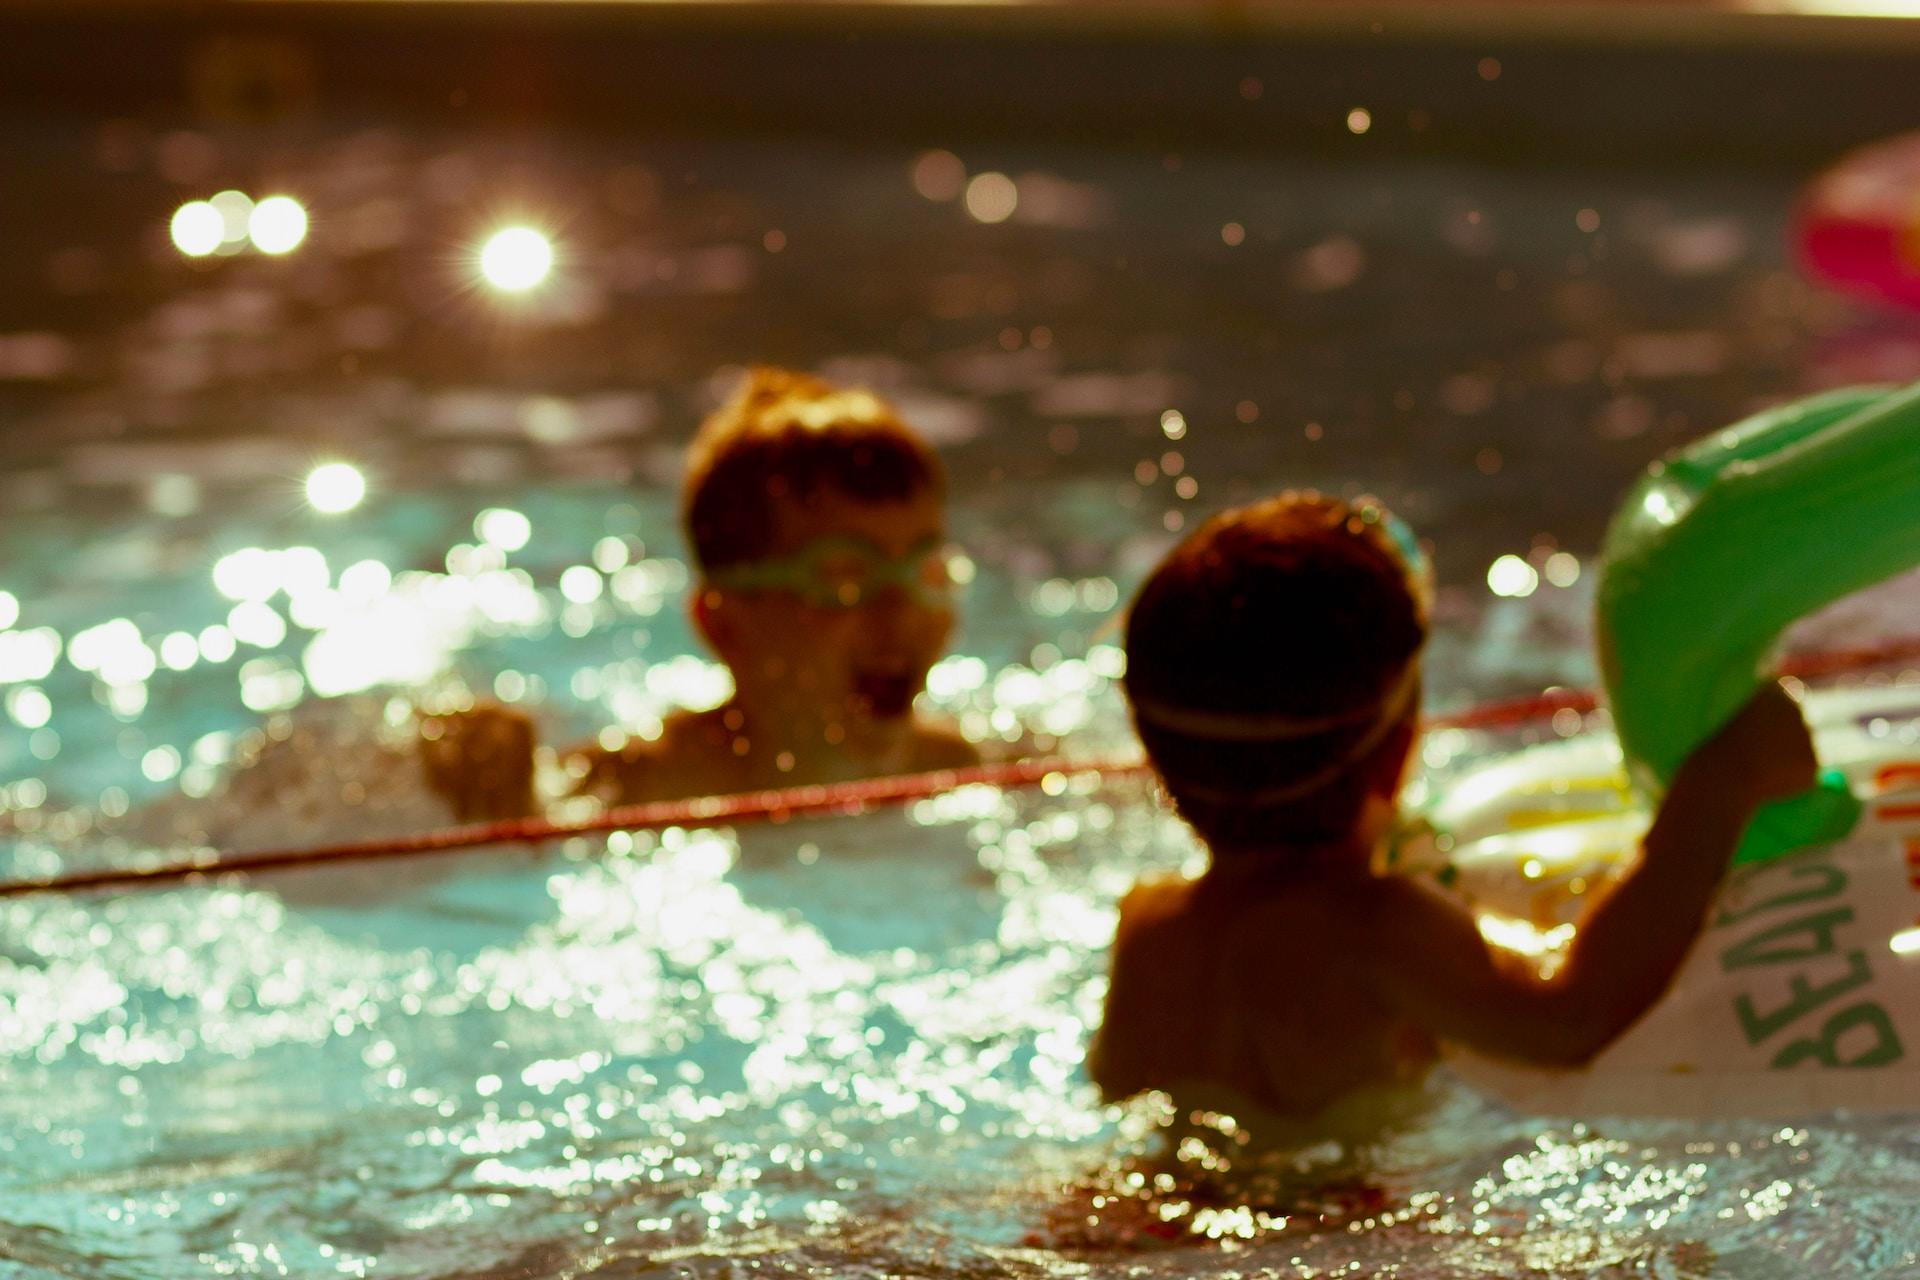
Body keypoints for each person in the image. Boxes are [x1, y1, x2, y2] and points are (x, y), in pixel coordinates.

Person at [1087, 491, 1817, 1123]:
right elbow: (1572, 1020)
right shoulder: (1379, 927)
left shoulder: (1147, 926)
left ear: (1161, 763)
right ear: (1397, 749)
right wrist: (1719, 786)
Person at [426, 367, 977, 817]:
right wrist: (480, 765)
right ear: (723, 624)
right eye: (844, 577)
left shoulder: (967, 771)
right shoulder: (644, 789)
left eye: (923, 568)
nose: (899, 608)